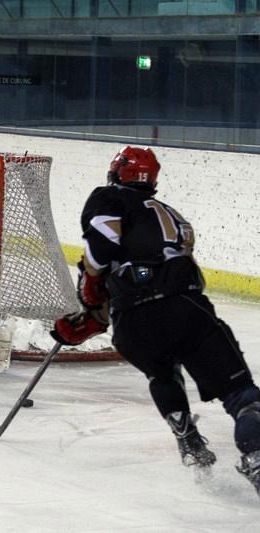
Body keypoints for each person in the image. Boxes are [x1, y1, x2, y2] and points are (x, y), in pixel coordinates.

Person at [51, 146, 260, 496]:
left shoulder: (107, 197)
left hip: (133, 323)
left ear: (116, 171)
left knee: (161, 371)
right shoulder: (171, 214)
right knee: (242, 397)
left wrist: (91, 313)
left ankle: (190, 443)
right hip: (186, 310)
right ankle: (256, 457)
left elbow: (100, 255)